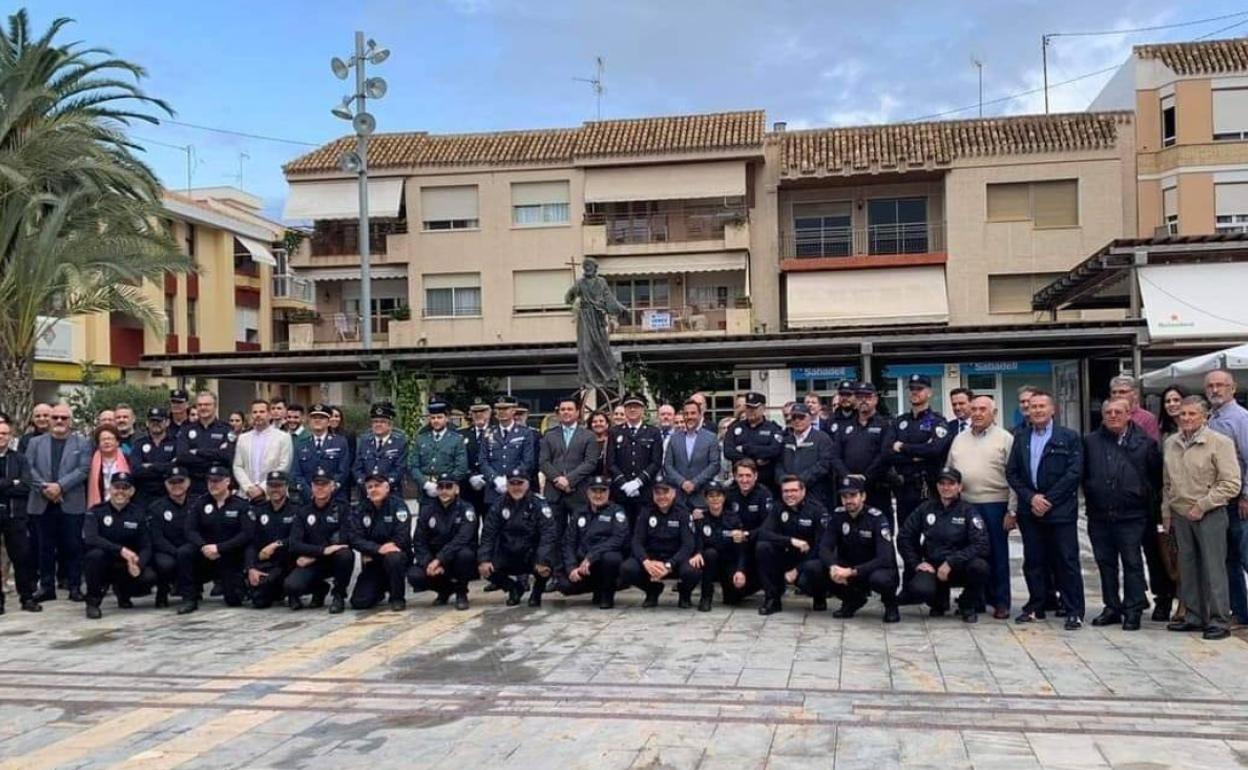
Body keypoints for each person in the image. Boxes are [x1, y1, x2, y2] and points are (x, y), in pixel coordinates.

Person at [1163, 395, 1242, 640]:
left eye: (1192, 414)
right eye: (1183, 414)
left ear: (1204, 417)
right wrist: (1167, 511)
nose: (1186, 418)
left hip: (1209, 512)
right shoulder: (1171, 442)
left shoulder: (1220, 442)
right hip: (1181, 512)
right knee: (1187, 566)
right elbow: (1167, 482)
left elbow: (1231, 483)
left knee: (1213, 567)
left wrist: (1203, 505)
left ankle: (1219, 619)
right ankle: (1194, 615)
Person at [1006, 390, 1085, 630]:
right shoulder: (1021, 438)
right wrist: (1031, 498)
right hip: (1031, 511)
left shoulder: (1069, 437)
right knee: (1034, 561)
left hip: (1059, 510)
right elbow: (1012, 473)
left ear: (1053, 410)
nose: (1037, 410)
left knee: (1066, 560)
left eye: (1042, 406)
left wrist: (1048, 500)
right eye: (1033, 406)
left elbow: (1074, 473)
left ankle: (1073, 610)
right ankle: (1036, 606)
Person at [1082, 397, 1162, 631]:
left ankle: (1134, 608)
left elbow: (1155, 478)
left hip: (1132, 514)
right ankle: (1112, 607)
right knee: (1105, 563)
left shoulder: (1145, 443)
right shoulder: (1090, 442)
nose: (1113, 416)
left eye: (1119, 412)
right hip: (1099, 514)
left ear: (1129, 414)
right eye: (1109, 412)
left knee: (1132, 562)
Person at [946, 395, 1016, 619]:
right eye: (973, 408)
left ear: (993, 413)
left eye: (982, 409)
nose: (977, 413)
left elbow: (1015, 477)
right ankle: (975, 600)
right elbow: (950, 471)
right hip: (965, 505)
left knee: (997, 554)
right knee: (971, 556)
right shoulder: (959, 439)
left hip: (995, 504)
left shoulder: (1005, 439)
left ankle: (1001, 602)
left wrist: (1012, 510)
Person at [898, 467, 989, 623]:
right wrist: (917, 563)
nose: (946, 488)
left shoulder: (968, 511)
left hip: (959, 566)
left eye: (951, 483)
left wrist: (952, 561)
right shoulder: (925, 508)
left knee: (980, 567)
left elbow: (981, 543)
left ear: (960, 487)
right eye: (942, 483)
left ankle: (967, 605)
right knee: (919, 589)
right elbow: (904, 536)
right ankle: (939, 602)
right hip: (933, 566)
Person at [25, 402, 91, 603]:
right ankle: (46, 588)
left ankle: (74, 587)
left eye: (64, 418)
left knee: (73, 546)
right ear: (50, 420)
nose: (59, 421)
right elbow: (28, 468)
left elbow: (83, 469)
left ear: (71, 421)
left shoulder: (82, 443)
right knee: (44, 547)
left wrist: (60, 486)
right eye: (55, 418)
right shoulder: (35, 443)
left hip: (71, 502)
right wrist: (46, 488)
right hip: (42, 502)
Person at [819, 477, 899, 622]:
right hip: (850, 567)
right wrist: (833, 566)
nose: (848, 500)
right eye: (844, 496)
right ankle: (852, 600)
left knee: (881, 579)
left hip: (875, 569)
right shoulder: (838, 516)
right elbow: (824, 547)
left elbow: (884, 558)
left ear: (863, 496)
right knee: (820, 569)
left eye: (853, 495)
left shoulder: (877, 518)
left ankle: (891, 605)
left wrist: (851, 571)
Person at [1204, 369, 1248, 626]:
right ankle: (1241, 612)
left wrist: (1246, 496)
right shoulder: (1211, 417)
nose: (1215, 390)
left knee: (1244, 556)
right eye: (1211, 386)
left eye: (1221, 385)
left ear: (1233, 388)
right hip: (1220, 500)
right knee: (1228, 559)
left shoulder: (1240, 419)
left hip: (1238, 500)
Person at [177, 465, 249, 614]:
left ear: (228, 481)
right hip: (205, 554)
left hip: (229, 555)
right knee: (185, 552)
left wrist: (220, 548)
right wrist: (203, 546)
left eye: (217, 481)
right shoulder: (200, 503)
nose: (212, 484)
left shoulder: (240, 505)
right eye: (210, 481)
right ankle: (189, 598)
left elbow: (246, 534)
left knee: (234, 600)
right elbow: (190, 530)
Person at [81, 472, 154, 619]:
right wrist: (120, 550)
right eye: (116, 487)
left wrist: (138, 564)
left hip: (126, 564)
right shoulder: (96, 511)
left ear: (132, 491)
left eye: (125, 488)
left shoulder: (138, 513)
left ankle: (124, 594)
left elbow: (146, 545)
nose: (120, 491)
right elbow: (91, 538)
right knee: (94, 556)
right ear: (109, 489)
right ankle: (93, 603)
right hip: (104, 561)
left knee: (149, 577)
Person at [479, 472, 557, 607]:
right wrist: (484, 559)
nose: (516, 487)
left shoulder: (539, 504)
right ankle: (513, 588)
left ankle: (537, 593)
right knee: (484, 567)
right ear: (507, 485)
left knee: (548, 561)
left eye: (520, 483)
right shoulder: (499, 504)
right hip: (508, 552)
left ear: (527, 484)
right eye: (512, 483)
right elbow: (488, 533)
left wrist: (542, 559)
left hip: (531, 554)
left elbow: (548, 534)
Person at [621, 476, 699, 608]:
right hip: (652, 560)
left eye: (665, 492)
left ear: (674, 493)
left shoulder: (683, 513)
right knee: (627, 568)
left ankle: (684, 594)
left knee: (692, 571)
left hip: (676, 560)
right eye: (658, 493)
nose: (662, 497)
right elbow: (636, 542)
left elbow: (688, 545)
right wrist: (646, 562)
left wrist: (669, 565)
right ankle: (652, 590)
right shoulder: (646, 512)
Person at [755, 476, 827, 615]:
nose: (789, 495)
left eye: (793, 490)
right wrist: (790, 541)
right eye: (786, 491)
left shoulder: (817, 510)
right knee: (762, 547)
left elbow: (822, 546)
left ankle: (819, 596)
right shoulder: (778, 507)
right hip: (786, 554)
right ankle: (772, 599)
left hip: (808, 559)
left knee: (813, 570)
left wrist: (798, 570)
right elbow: (763, 533)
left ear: (803, 491)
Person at [284, 470, 354, 613]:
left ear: (332, 486)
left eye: (324, 484)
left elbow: (343, 540)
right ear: (312, 486)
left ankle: (338, 595)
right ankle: (320, 588)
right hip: (311, 561)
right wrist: (321, 551)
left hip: (331, 560)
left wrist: (316, 554)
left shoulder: (342, 509)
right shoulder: (303, 511)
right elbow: (294, 543)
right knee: (291, 586)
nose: (320, 488)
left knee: (346, 554)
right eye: (317, 485)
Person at [890, 374, 952, 532]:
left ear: (929, 392)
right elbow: (889, 453)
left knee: (933, 536)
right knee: (905, 536)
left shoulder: (937, 421)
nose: (914, 392)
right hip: (904, 487)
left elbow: (934, 450)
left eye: (919, 389)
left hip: (928, 488)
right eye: (911, 389)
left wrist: (903, 447)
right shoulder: (899, 422)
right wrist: (919, 453)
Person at [407, 472, 477, 610]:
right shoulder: (427, 510)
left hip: (456, 557)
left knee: (465, 555)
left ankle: (461, 592)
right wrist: (428, 562)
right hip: (434, 559)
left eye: (448, 487)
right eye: (440, 487)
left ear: (456, 489)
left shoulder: (466, 509)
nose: (444, 491)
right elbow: (419, 541)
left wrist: (439, 559)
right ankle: (445, 590)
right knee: (414, 575)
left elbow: (462, 539)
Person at [557, 475, 629, 609]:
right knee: (563, 585)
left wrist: (592, 556)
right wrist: (571, 567)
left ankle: (607, 594)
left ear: (609, 492)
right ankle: (597, 588)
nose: (598, 495)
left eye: (602, 491)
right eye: (594, 491)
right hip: (583, 565)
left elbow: (618, 539)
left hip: (603, 562)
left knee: (611, 558)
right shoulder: (579, 512)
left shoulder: (616, 512)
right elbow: (569, 542)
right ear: (588, 493)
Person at [829, 382, 894, 523]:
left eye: (867, 397)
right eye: (859, 397)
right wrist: (847, 476)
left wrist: (864, 478)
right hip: (849, 492)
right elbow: (834, 456)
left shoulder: (885, 424)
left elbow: (884, 456)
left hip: (876, 489)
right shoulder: (844, 425)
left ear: (875, 399)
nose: (863, 400)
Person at [349, 472, 413, 611]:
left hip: (396, 558)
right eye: (370, 487)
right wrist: (377, 549)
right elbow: (354, 538)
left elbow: (402, 537)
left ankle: (397, 598)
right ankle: (379, 590)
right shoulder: (361, 509)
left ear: (387, 488)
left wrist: (375, 551)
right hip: (373, 561)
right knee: (359, 602)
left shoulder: (398, 506)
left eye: (377, 486)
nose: (373, 489)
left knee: (393, 557)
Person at [539, 396, 599, 537]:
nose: (566, 412)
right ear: (558, 413)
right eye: (563, 409)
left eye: (570, 409)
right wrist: (558, 479)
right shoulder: (549, 435)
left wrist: (569, 480)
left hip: (578, 492)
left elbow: (590, 462)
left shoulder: (589, 436)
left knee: (580, 533)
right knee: (553, 534)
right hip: (554, 492)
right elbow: (543, 462)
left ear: (577, 412)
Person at [243, 470, 298, 610]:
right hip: (267, 563)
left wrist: (277, 544)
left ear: (286, 487)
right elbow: (251, 542)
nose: (275, 490)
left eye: (279, 486)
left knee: (287, 581)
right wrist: (251, 568)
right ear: (266, 488)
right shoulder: (259, 510)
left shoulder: (296, 510)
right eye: (272, 486)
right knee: (259, 602)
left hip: (288, 563)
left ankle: (297, 591)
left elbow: (297, 538)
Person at [692, 479, 750, 610]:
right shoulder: (701, 519)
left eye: (718, 495)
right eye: (711, 496)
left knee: (733, 598)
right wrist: (698, 553)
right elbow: (699, 541)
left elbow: (741, 549)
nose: (715, 499)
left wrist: (740, 570)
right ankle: (706, 597)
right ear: (706, 499)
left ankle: (729, 589)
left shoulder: (733, 518)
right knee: (710, 554)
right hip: (709, 563)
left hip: (728, 563)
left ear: (724, 498)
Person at [0, 421, 39, 613]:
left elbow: (25, 486)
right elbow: (16, 485)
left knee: (22, 558)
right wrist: (11, 483)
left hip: (16, 515)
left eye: (5, 433)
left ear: (10, 436)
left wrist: (7, 485)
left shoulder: (20, 459)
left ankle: (27, 598)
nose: (1, 436)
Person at [609, 392, 663, 525]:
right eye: (629, 407)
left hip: (644, 492)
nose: (632, 409)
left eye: (636, 406)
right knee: (621, 530)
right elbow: (610, 462)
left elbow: (656, 462)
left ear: (643, 409)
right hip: (621, 493)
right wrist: (624, 484)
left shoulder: (653, 432)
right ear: (625, 409)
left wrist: (638, 482)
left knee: (643, 529)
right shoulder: (614, 432)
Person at [663, 398, 720, 519]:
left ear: (700, 414)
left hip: (701, 496)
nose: (689, 417)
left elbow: (714, 465)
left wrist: (695, 483)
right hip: (678, 497)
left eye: (693, 413)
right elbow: (668, 466)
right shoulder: (674, 439)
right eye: (686, 413)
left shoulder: (711, 438)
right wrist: (682, 482)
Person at [147, 467, 193, 609]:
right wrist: (177, 552)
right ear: (166, 484)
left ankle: (192, 593)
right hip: (167, 550)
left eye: (180, 481)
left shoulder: (197, 504)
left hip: (191, 549)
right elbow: (157, 538)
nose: (176, 486)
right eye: (172, 482)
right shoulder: (156, 507)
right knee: (165, 564)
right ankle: (162, 592)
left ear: (188, 482)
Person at [175, 391, 237, 496]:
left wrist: (196, 452)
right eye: (200, 405)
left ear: (215, 406)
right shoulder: (186, 429)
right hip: (194, 488)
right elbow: (182, 457)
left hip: (219, 486)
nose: (203, 407)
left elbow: (227, 455)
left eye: (207, 404)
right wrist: (215, 455)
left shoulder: (226, 429)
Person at [232, 400, 293, 504]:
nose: (258, 415)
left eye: (262, 412)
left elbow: (284, 466)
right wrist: (248, 487)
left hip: (273, 496)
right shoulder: (243, 438)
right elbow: (237, 466)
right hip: (247, 496)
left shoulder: (283, 437)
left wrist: (262, 488)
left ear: (269, 414)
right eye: (255, 412)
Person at [480, 395, 536, 509]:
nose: (502, 412)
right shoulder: (488, 433)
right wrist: (495, 478)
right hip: (494, 489)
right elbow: (483, 460)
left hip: (518, 488)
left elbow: (528, 461)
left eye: (506, 409)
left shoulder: (525, 433)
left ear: (514, 410)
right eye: (499, 409)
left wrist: (510, 480)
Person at [725, 459, 772, 591]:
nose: (744, 480)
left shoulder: (764, 494)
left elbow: (768, 526)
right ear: (734, 476)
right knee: (731, 597)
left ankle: (770, 589)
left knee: (763, 547)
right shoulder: (729, 493)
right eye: (740, 476)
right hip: (736, 543)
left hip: (756, 540)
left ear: (755, 476)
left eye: (748, 476)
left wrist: (748, 534)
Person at [779, 403, 835, 510]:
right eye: (794, 417)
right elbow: (778, 463)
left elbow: (824, 464)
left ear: (809, 418)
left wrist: (800, 480)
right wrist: (783, 479)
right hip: (789, 495)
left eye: (801, 417)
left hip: (815, 494)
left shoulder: (822, 438)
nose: (797, 420)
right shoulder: (786, 440)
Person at [409, 399, 469, 500]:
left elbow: (461, 468)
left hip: (448, 491)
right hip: (425, 492)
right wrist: (425, 483)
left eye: (439, 417)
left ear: (447, 419)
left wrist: (444, 484)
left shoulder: (457, 439)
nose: (436, 420)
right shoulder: (421, 439)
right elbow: (413, 466)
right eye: (433, 418)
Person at [723, 392, 784, 490]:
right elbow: (728, 451)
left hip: (766, 484)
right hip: (740, 484)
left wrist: (747, 448)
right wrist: (752, 462)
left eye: (754, 408)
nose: (750, 411)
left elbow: (774, 451)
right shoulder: (735, 428)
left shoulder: (773, 428)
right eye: (748, 408)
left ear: (763, 408)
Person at [352, 402, 408, 494]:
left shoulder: (399, 443)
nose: (378, 424)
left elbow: (400, 468)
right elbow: (357, 468)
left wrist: (383, 486)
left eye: (382, 422)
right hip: (366, 493)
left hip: (391, 492)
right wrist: (366, 485)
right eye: (375, 421)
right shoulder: (364, 441)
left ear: (390, 425)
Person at [131, 408, 177, 511]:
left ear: (167, 422)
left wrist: (149, 466)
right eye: (152, 421)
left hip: (167, 495)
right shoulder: (139, 444)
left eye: (159, 421)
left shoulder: (175, 443)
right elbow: (136, 471)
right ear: (147, 423)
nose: (155, 424)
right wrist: (164, 467)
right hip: (142, 498)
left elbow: (175, 468)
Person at [460, 399, 494, 515]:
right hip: (468, 489)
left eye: (483, 411)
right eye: (475, 412)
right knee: (469, 529)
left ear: (489, 412)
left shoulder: (497, 433)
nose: (479, 414)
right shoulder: (461, 435)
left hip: (491, 488)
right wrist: (470, 476)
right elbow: (459, 460)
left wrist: (486, 477)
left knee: (491, 529)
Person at [87, 426, 129, 509]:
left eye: (110, 439)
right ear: (98, 444)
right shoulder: (90, 460)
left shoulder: (128, 459)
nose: (106, 442)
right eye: (103, 439)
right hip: (99, 505)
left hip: (123, 505)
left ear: (117, 442)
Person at [1109, 375, 1161, 443]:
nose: (1117, 395)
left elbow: (1153, 447)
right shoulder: (1108, 415)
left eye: (1122, 392)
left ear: (1135, 394)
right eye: (1114, 392)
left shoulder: (1147, 418)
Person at [587, 411, 612, 477]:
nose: (598, 424)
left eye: (601, 421)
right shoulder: (585, 442)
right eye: (594, 422)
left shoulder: (612, 442)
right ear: (590, 425)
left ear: (607, 424)